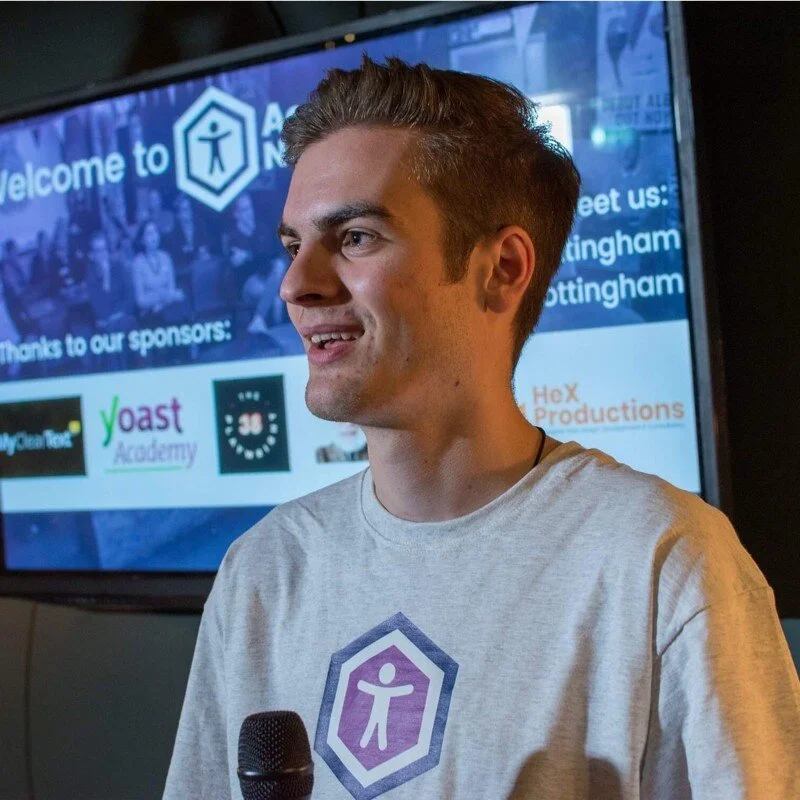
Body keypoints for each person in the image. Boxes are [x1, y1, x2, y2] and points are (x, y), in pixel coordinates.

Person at [164, 57, 799, 800]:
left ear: (502, 268)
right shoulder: (265, 569)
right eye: (291, 245)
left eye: (356, 237)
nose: (297, 284)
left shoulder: (661, 560)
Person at [131, 219, 188, 324]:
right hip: (149, 312)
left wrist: (162, 303)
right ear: (142, 240)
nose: (154, 236)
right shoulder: (138, 263)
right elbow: (140, 300)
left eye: (155, 232)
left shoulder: (166, 257)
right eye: (149, 233)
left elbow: (171, 289)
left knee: (180, 304)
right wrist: (162, 297)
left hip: (167, 307)